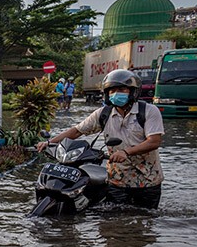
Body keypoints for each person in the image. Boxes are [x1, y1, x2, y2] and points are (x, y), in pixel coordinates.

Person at [37, 69, 164, 209]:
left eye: (122, 89)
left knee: (146, 221)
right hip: (117, 180)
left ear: (133, 91)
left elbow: (154, 141)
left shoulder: (149, 111)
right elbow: (76, 131)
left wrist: (126, 152)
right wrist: (49, 142)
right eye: (112, 90)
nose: (116, 93)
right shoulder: (103, 113)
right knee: (112, 225)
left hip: (147, 180)